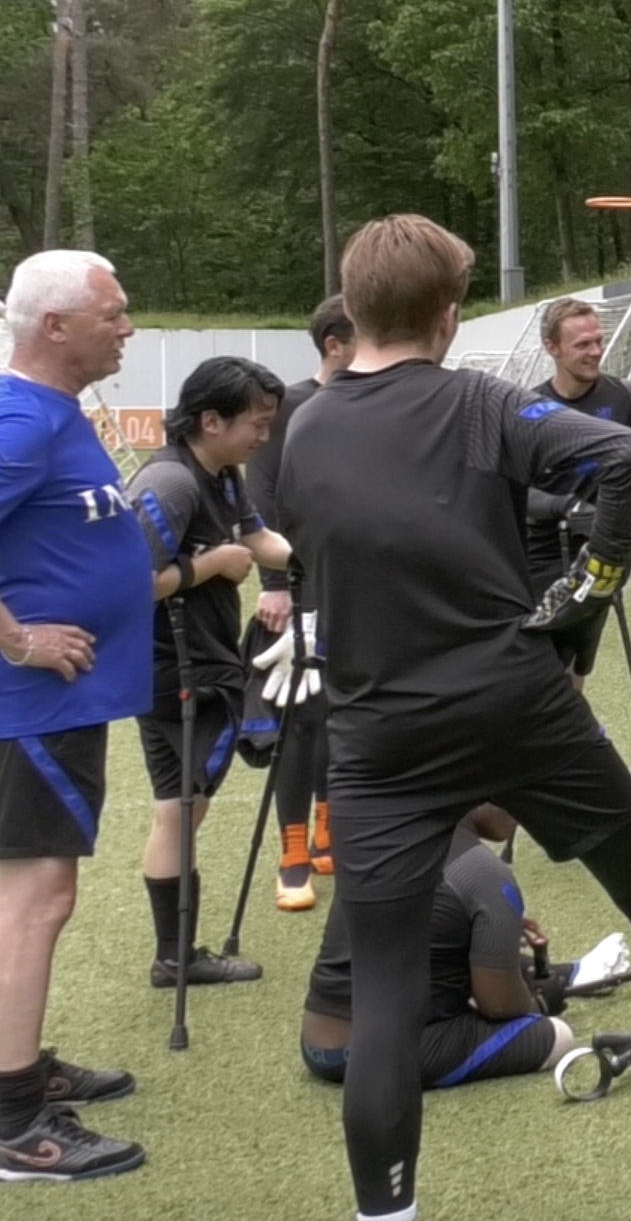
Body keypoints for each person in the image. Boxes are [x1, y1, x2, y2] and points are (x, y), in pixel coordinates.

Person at [276, 214, 631, 1221]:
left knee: (381, 996)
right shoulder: (476, 400)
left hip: (375, 733)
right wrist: (593, 583)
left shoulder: (304, 426)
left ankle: (389, 1213)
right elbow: (629, 460)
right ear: (449, 316)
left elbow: (313, 550)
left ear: (353, 304)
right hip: (515, 697)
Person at [0, 250, 151, 1182]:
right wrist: (18, 639)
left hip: (66, 700)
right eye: (113, 313)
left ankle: (19, 1073)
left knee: (46, 890)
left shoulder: (51, 411)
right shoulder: (17, 412)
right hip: (38, 697)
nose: (126, 327)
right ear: (56, 327)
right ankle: (14, 1125)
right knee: (35, 895)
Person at [126, 355, 292, 985]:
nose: (264, 436)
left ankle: (176, 956)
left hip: (189, 665)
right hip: (178, 671)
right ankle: (178, 957)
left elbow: (260, 541)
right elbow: (129, 584)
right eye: (257, 423)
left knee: (177, 810)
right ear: (211, 419)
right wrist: (211, 566)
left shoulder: (220, 475)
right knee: (183, 810)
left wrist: (327, 560)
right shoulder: (173, 484)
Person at [302, 807, 589, 1091]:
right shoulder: (484, 871)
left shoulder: (380, 837)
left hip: (317, 1047)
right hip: (393, 1054)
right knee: (557, 1036)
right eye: (505, 787)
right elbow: (500, 1005)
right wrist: (539, 1003)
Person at [243, 293, 354, 911]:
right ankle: (292, 855)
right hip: (300, 584)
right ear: (334, 345)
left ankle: (329, 829)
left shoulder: (373, 401)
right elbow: (258, 494)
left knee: (346, 712)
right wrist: (275, 586)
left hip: (359, 584)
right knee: (301, 718)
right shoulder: (286, 406)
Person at [523, 297, 631, 693]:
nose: (595, 352)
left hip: (604, 552)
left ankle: (566, 747)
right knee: (542, 670)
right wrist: (567, 507)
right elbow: (513, 490)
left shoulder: (628, 398)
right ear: (551, 348)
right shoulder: (531, 409)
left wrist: (616, 513)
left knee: (575, 669)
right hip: (540, 553)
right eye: (582, 345)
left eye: (598, 341)